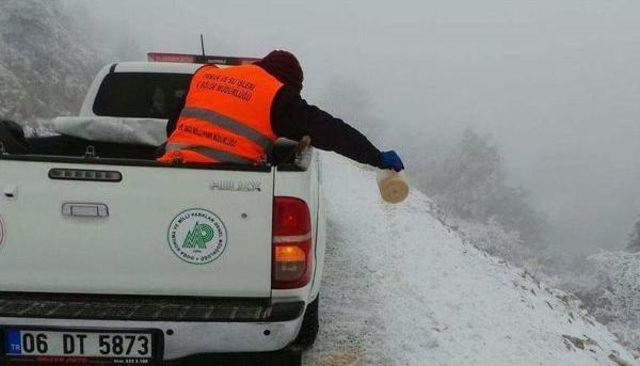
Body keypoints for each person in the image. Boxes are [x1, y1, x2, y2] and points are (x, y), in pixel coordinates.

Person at [158, 50, 404, 172]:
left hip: (169, 169)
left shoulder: (206, 75)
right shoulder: (276, 95)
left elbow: (174, 126)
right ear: (289, 83)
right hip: (229, 182)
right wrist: (376, 157)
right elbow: (329, 131)